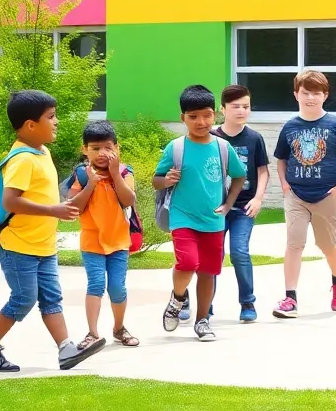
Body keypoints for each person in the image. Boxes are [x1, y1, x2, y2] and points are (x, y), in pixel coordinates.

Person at [0, 91, 104, 372]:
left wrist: (86, 188)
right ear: (30, 125)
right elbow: (10, 201)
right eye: (51, 117)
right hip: (18, 245)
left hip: (43, 245)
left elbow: (46, 198)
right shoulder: (23, 159)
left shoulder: (43, 152)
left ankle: (66, 349)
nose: (56, 122)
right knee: (23, 298)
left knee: (51, 298)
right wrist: (53, 211)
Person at [154, 85, 247, 342]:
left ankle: (202, 321)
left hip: (213, 219)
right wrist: (166, 179)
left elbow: (239, 176)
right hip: (182, 216)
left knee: (208, 271)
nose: (201, 122)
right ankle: (178, 298)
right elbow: (156, 180)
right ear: (182, 118)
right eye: (193, 116)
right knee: (187, 263)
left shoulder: (222, 147)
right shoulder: (175, 148)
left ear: (215, 114)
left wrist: (227, 205)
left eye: (206, 115)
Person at [273, 70, 336, 318]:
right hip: (296, 196)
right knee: (294, 244)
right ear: (296, 95)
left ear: (325, 95)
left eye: (316, 93)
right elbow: (281, 159)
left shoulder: (335, 124)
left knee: (327, 245)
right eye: (305, 92)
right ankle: (290, 298)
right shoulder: (290, 126)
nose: (310, 98)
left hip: (326, 196)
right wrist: (285, 185)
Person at [67, 121, 139, 349]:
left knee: (117, 287)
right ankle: (92, 333)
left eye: (108, 147)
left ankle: (119, 328)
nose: (102, 153)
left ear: (117, 148)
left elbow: (129, 200)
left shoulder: (125, 172)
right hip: (92, 242)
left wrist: (115, 175)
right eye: (95, 148)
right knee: (96, 285)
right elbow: (73, 207)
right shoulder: (82, 174)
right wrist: (90, 184)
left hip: (119, 241)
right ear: (85, 150)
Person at [210, 84, 269, 324]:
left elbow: (263, 171)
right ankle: (205, 304)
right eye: (236, 106)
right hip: (214, 209)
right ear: (223, 109)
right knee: (212, 255)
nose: (242, 111)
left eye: (246, 106)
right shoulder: (211, 137)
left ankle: (247, 303)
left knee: (239, 252)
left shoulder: (254, 138)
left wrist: (258, 198)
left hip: (244, 208)